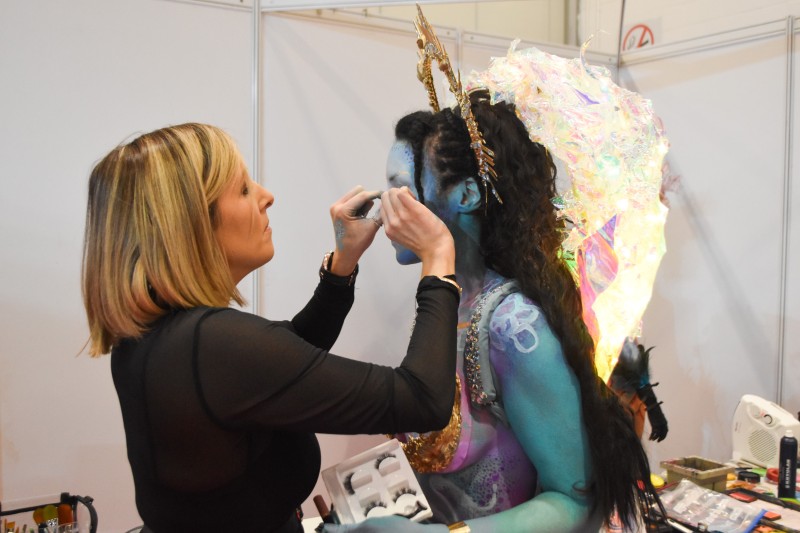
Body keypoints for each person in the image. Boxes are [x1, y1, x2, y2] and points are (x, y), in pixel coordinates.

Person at [81, 122, 462, 533]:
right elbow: (423, 399)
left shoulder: (157, 338)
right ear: (191, 223)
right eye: (244, 190)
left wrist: (343, 263)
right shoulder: (216, 345)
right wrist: (438, 258)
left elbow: (285, 360)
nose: (267, 196)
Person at [326, 92, 663, 533]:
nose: (384, 208)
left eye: (400, 188)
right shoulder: (445, 303)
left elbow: (574, 499)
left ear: (466, 194)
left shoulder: (512, 327)